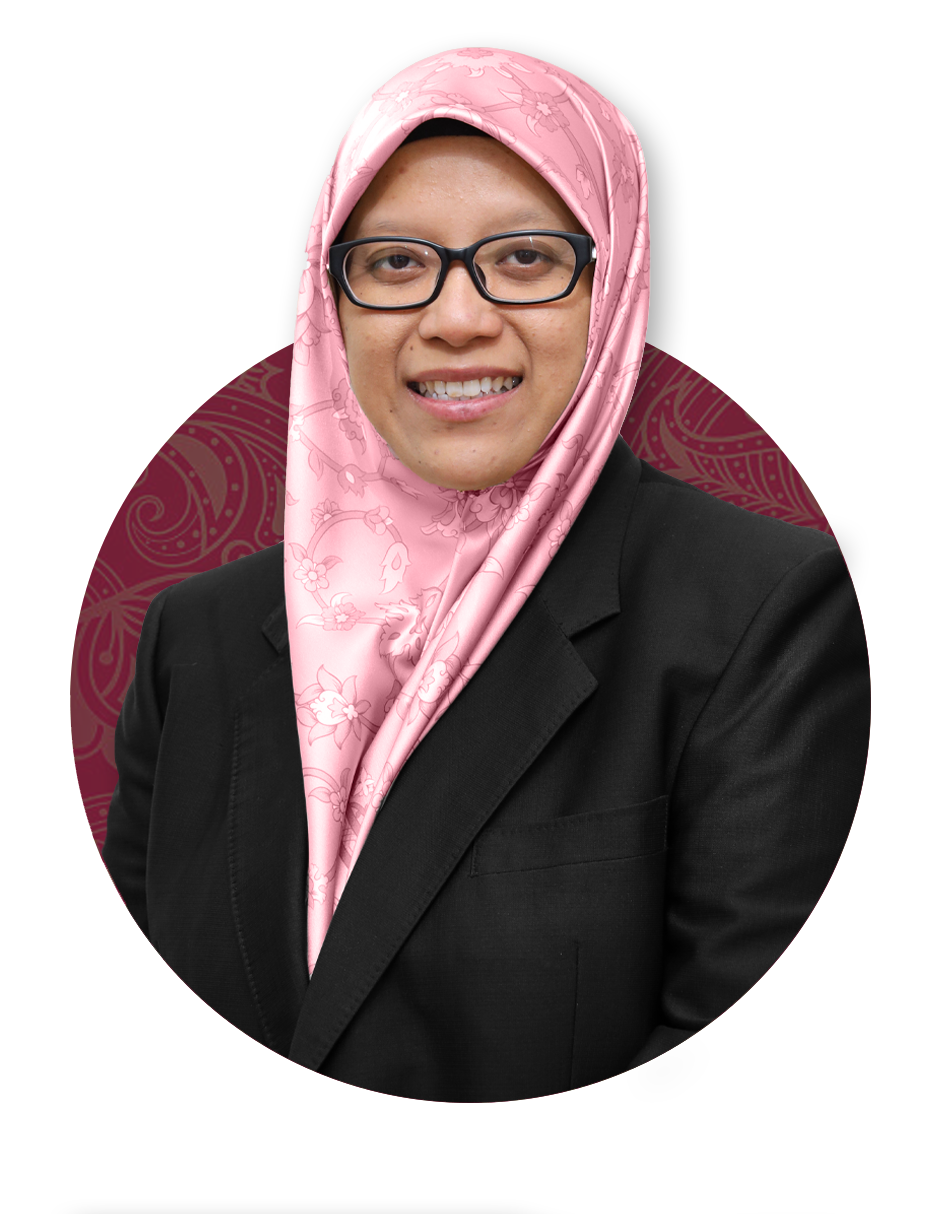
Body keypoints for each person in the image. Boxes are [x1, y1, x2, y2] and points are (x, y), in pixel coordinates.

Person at [103, 48, 869, 1102]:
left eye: (523, 258)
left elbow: (743, 1078)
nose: (455, 318)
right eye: (393, 262)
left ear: (613, 283)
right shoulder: (197, 633)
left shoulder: (763, 614)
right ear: (330, 301)